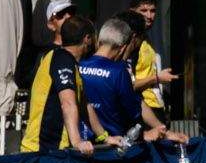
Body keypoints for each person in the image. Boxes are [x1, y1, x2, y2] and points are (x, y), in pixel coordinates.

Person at [79, 17, 185, 147]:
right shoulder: (118, 71)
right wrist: (151, 134)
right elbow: (134, 110)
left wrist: (163, 130)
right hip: (113, 147)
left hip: (82, 146)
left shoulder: (79, 65)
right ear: (123, 48)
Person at [20, 14, 97, 154]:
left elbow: (85, 106)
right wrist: (77, 141)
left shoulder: (69, 62)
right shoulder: (62, 59)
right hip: (43, 151)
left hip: (55, 151)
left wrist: (104, 137)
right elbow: (67, 103)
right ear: (87, 39)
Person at [127, 0, 169, 127]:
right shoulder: (130, 42)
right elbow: (127, 84)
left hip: (155, 105)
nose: (149, 16)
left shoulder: (146, 39)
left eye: (152, 11)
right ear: (131, 11)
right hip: (142, 109)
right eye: (143, 10)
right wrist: (157, 78)